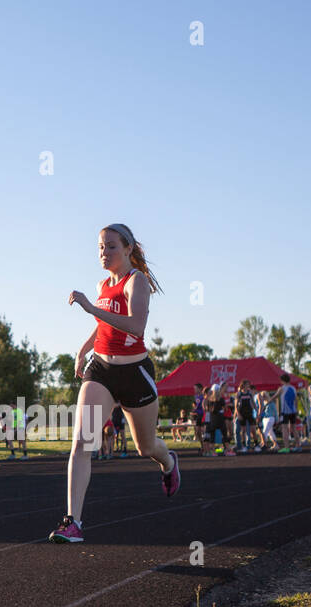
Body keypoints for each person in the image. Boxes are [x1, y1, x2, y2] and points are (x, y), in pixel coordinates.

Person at [49, 223, 178, 544]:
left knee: (145, 447)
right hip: (102, 371)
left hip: (135, 374)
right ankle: (73, 522)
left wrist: (92, 308)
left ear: (128, 249)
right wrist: (83, 349)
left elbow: (134, 326)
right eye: (100, 248)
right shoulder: (103, 283)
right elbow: (102, 326)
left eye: (110, 247)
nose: (103, 253)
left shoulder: (138, 282)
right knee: (82, 442)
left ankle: (168, 461)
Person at [277, 373, 299, 452]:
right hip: (293, 411)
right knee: (294, 428)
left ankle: (286, 447)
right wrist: (296, 410)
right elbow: (296, 400)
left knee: (284, 429)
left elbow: (274, 396)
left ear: (282, 380)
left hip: (285, 412)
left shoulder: (282, 388)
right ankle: (298, 445)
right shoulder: (293, 388)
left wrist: (266, 403)